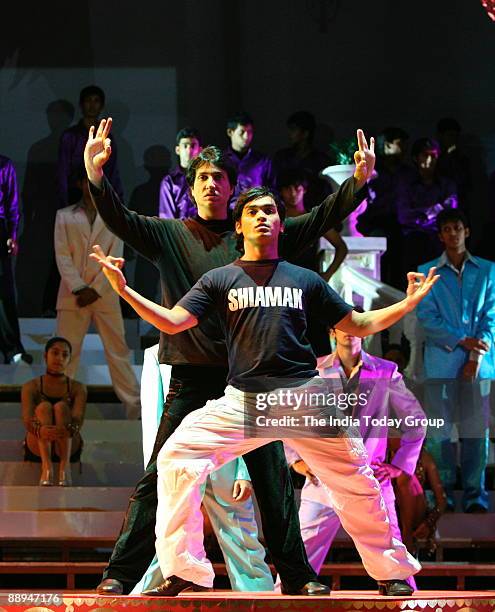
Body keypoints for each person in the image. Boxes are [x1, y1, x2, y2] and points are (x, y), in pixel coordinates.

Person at [91, 185, 438, 597]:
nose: (263, 216)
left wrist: (407, 304)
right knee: (176, 457)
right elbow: (172, 322)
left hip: (304, 398)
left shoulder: (304, 279)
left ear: (279, 223)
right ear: (238, 226)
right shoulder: (220, 278)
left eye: (270, 211)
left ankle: (390, 571)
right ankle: (185, 569)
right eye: (253, 211)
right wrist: (124, 290)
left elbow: (358, 325)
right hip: (244, 401)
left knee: (357, 481)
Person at [282, 327, 426, 590]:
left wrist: (399, 466)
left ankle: (407, 606)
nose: (349, 332)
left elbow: (416, 421)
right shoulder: (313, 370)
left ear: (365, 332)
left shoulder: (384, 371)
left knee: (394, 561)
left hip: (371, 478)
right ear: (332, 332)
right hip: (323, 478)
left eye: (355, 326)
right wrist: (296, 460)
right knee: (298, 562)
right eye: (342, 326)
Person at [417, 208, 495, 512]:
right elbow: (427, 319)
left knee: (476, 430)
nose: (453, 233)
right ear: (440, 236)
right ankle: (443, 493)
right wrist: (462, 341)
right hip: (441, 364)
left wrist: (475, 355)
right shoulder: (428, 272)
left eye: (457, 228)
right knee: (439, 431)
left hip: (479, 365)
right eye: (447, 229)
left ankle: (476, 495)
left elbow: (491, 316)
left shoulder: (488, 270)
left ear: (467, 232)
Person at [54, 168, 141, 419]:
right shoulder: (64, 216)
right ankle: (60, 406)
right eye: (88, 181)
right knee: (66, 352)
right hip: (73, 295)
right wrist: (79, 287)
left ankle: (134, 407)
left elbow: (117, 255)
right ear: (81, 183)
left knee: (118, 351)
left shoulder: (113, 216)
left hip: (105, 293)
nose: (92, 186)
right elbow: (62, 255)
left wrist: (97, 290)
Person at [21, 337, 87, 486]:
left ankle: (65, 467)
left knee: (61, 408)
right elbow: (27, 418)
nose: (59, 358)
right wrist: (41, 430)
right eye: (55, 353)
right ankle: (47, 466)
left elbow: (78, 419)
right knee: (44, 408)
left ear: (70, 359)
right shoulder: (31, 386)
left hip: (67, 442)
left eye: (65, 355)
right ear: (45, 355)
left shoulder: (78, 387)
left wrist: (65, 430)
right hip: (38, 443)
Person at [357, 127, 414, 289]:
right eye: (399, 144)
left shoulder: (408, 173)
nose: (404, 149)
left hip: (403, 225)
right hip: (377, 223)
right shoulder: (374, 171)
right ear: (387, 145)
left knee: (401, 267)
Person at [398, 138, 458, 287]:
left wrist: (422, 215)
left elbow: (451, 214)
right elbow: (403, 216)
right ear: (416, 158)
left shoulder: (446, 184)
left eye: (434, 155)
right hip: (414, 238)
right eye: (425, 155)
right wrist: (434, 210)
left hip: (440, 237)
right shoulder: (407, 184)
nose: (430, 159)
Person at [58, 85, 123, 207]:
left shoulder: (108, 137)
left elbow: (113, 172)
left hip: (101, 197)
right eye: (88, 100)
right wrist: (64, 202)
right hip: (75, 197)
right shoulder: (70, 136)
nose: (92, 105)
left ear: (102, 106)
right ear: (81, 104)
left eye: (96, 101)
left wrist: (118, 203)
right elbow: (63, 171)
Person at [278, 168, 347, 279]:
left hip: (308, 280)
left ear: (304, 189)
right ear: (281, 191)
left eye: (297, 188)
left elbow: (341, 247)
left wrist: (328, 275)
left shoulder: (314, 218)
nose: (293, 193)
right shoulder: (276, 218)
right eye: (287, 189)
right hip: (280, 281)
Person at [0, 154, 32, 364]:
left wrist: (12, 235)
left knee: (3, 291)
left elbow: (12, 201)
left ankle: (12, 348)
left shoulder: (3, 164)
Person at [392, 443, 447, 556]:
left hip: (414, 516)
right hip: (390, 513)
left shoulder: (423, 458)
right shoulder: (383, 456)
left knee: (407, 481)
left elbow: (441, 501)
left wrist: (428, 523)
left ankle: (407, 554)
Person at [273, 111, 331, 208]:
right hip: (286, 215)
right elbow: (274, 187)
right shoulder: (282, 158)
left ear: (305, 133)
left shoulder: (321, 161)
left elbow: (326, 193)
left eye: (293, 130)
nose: (289, 134)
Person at [224, 112, 276, 205]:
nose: (246, 136)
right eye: (242, 132)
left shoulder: (263, 161)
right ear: (230, 132)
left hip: (255, 210)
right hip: (227, 213)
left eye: (250, 132)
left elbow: (272, 190)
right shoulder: (222, 160)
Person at [159, 127, 202, 219]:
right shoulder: (169, 181)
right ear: (177, 150)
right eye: (185, 146)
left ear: (200, 150)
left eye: (193, 145)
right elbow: (167, 218)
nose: (189, 150)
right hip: (178, 231)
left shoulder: (206, 179)